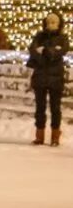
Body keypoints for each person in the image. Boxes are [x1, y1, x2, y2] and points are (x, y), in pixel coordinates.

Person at [27, 12, 68, 147]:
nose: (50, 25)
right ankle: (40, 135)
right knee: (40, 107)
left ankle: (55, 136)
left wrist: (46, 52)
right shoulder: (39, 36)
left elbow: (61, 51)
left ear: (59, 24)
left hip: (55, 78)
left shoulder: (62, 37)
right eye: (49, 22)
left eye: (54, 22)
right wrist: (43, 53)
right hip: (40, 77)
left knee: (55, 108)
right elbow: (33, 49)